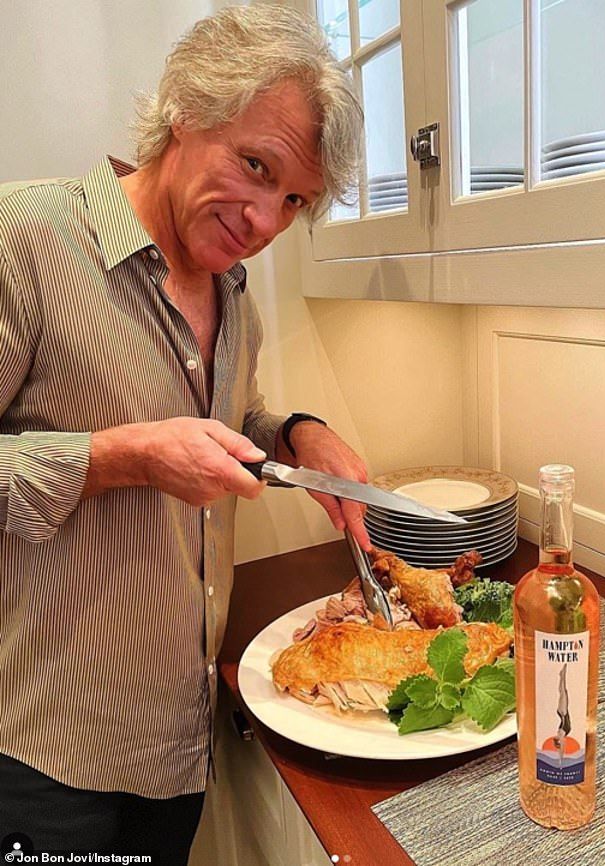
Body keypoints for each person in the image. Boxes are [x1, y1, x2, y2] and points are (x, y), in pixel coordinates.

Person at [0, 6, 366, 862]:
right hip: (49, 758)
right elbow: (146, 444)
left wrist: (296, 434)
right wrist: (118, 457)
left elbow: (228, 424)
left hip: (180, 743)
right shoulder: (25, 238)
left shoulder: (232, 293)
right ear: (184, 108)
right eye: (254, 165)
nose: (265, 222)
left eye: (293, 201)